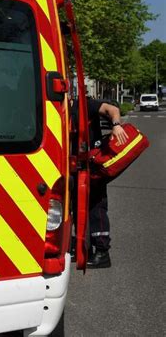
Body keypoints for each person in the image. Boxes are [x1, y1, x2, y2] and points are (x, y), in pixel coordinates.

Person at [74, 98, 128, 268]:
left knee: (96, 207)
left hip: (93, 164)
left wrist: (116, 124)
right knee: (77, 208)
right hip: (75, 165)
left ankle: (103, 253)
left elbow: (112, 109)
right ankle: (84, 248)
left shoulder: (84, 104)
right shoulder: (58, 107)